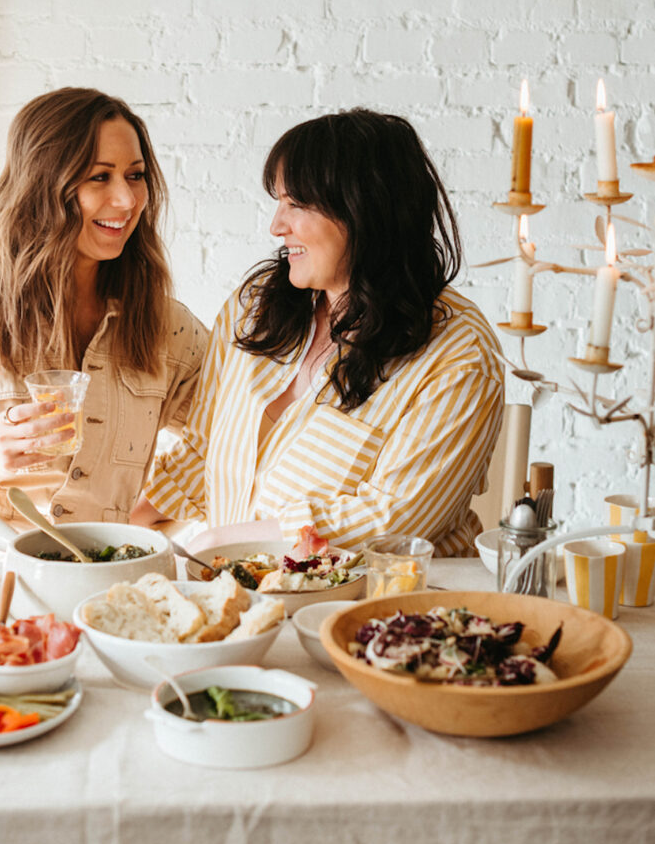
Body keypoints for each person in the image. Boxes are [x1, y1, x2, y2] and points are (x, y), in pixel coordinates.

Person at [134, 108, 503, 555]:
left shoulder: (459, 354)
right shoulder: (255, 309)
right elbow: (204, 449)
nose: (276, 226)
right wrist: (116, 529)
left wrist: (218, 542)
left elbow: (394, 520)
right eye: (279, 202)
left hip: (378, 610)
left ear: (366, 209)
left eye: (298, 204)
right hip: (240, 594)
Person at [0, 87, 207, 536]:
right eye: (99, 177)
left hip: (111, 592)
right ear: (43, 188)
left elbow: (233, 444)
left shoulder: (169, 331)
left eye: (135, 175)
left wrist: (135, 527)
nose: (125, 200)